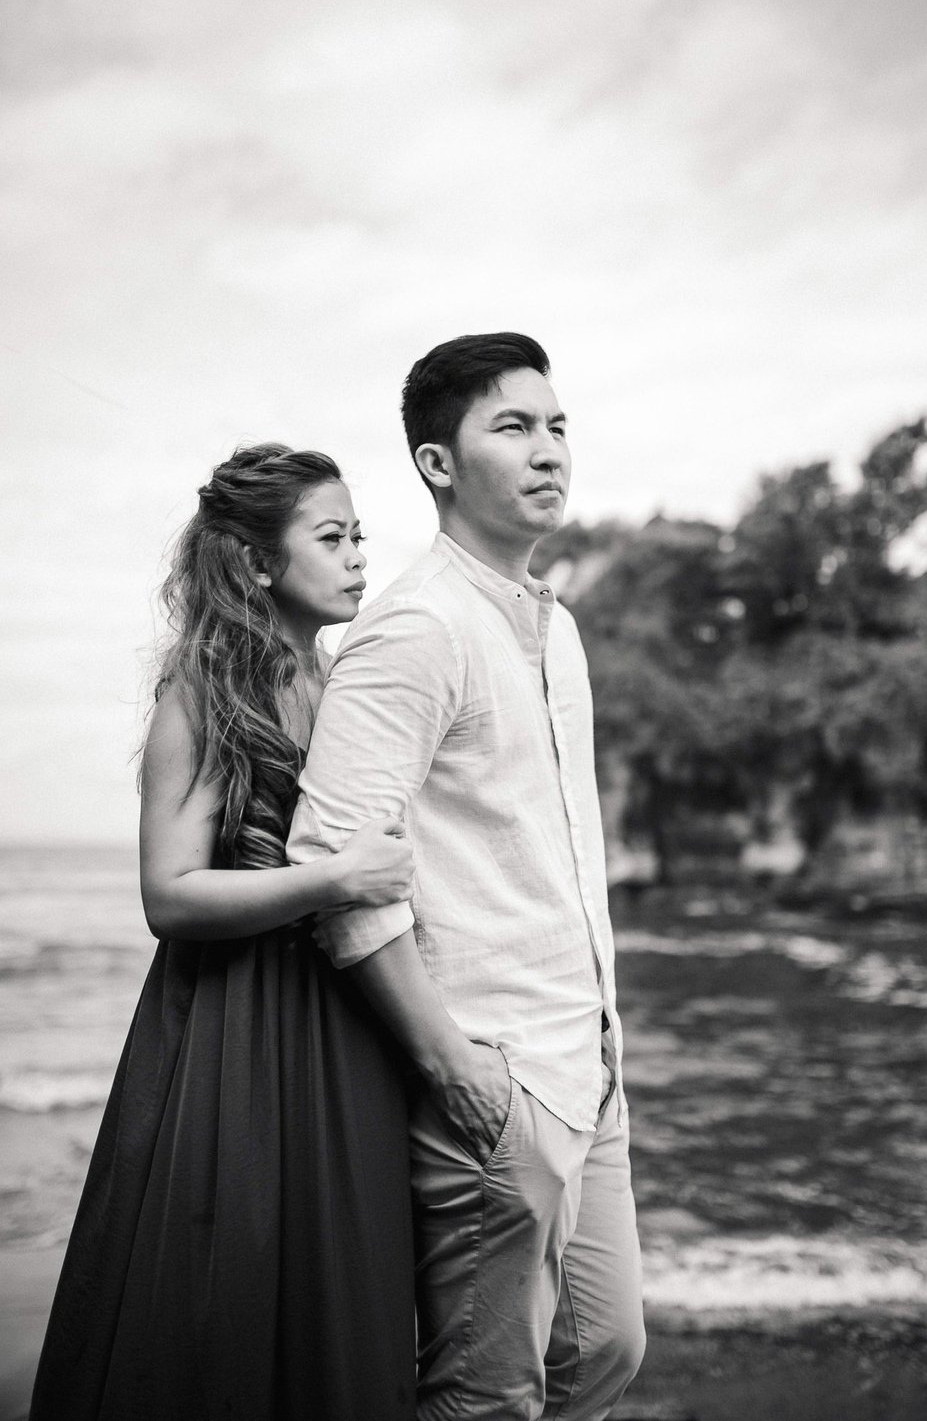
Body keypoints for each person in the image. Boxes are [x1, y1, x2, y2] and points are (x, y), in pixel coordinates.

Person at [288, 335, 646, 1421]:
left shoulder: (560, 628)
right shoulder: (411, 628)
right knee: (482, 1394)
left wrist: (599, 1039)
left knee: (606, 1346)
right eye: (512, 427)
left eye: (556, 424)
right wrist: (459, 1071)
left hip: (586, 1059)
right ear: (439, 463)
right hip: (496, 1074)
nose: (548, 451)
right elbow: (337, 870)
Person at [30, 443, 417, 1421]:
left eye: (359, 535)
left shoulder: (345, 689)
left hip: (346, 1021)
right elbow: (169, 892)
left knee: (344, 1300)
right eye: (331, 538)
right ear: (253, 563)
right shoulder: (204, 694)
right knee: (224, 1310)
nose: (358, 556)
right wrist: (331, 874)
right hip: (234, 1034)